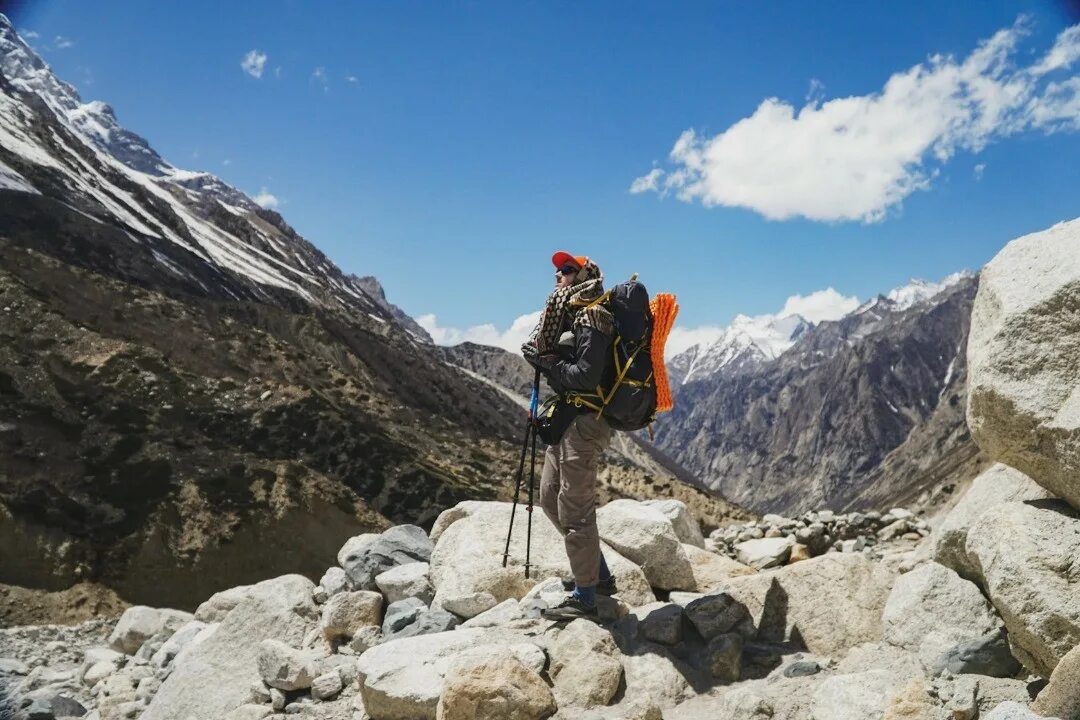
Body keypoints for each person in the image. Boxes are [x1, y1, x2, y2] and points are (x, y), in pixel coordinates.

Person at [521, 251, 618, 621]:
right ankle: (598, 575)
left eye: (567, 270)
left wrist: (547, 362)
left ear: (585, 275)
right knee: (549, 498)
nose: (558, 275)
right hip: (567, 417)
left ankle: (586, 596)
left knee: (575, 507)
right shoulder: (569, 313)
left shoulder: (595, 315)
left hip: (586, 420)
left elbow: (586, 377)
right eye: (558, 270)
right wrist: (542, 358)